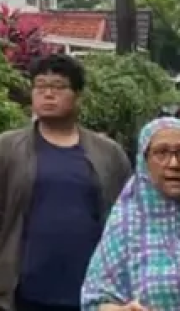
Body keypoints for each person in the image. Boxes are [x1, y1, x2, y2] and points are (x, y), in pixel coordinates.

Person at [0, 53, 133, 311]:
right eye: (40, 86)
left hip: (94, 293)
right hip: (23, 293)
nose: (48, 94)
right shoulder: (7, 148)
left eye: (59, 87)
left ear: (78, 96)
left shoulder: (109, 153)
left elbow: (128, 221)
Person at [80, 117, 180, 311]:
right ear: (144, 161)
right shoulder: (127, 225)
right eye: (161, 153)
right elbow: (95, 301)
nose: (174, 163)